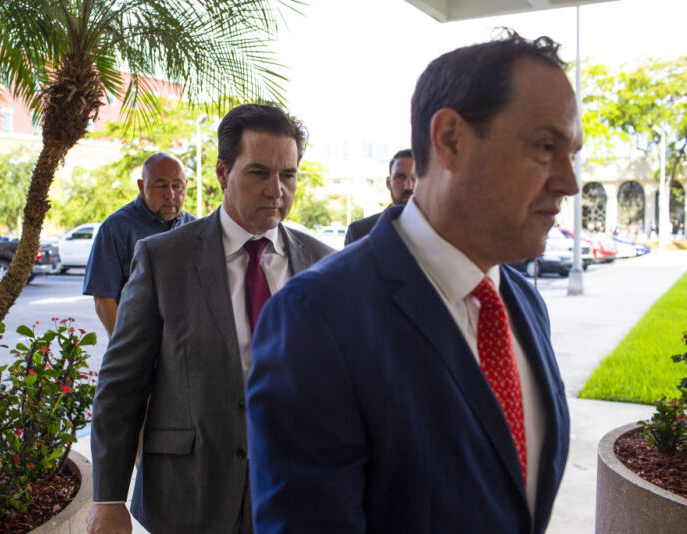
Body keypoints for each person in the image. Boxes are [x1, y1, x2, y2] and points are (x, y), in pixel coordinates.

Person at [247, 31, 580, 534]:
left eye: (571, 153)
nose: (569, 182)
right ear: (450, 139)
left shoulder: (525, 303)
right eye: (545, 146)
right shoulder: (315, 319)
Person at [88, 104, 334, 534]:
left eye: (288, 175)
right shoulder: (163, 259)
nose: (276, 190)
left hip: (295, 493)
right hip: (190, 495)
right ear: (222, 172)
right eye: (259, 173)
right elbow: (122, 385)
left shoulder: (325, 264)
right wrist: (109, 499)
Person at [83, 152, 196, 335]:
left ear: (186, 186)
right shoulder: (115, 228)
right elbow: (103, 299)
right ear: (142, 187)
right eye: (161, 186)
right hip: (139, 343)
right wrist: (125, 346)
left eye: (177, 186)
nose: (170, 194)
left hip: (187, 344)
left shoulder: (196, 228)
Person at [344, 148, 415, 245]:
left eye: (415, 178)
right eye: (400, 177)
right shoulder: (359, 232)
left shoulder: (435, 230)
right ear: (388, 183)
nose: (408, 186)